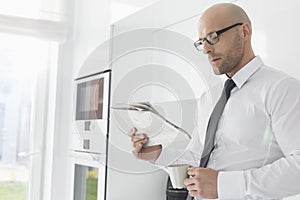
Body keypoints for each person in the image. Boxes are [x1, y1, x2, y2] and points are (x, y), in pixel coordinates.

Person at [130, 3, 300, 200]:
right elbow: (198, 157)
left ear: (244, 32)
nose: (207, 50)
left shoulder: (283, 89)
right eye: (202, 42)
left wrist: (223, 185)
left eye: (213, 37)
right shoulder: (209, 98)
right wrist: (157, 155)